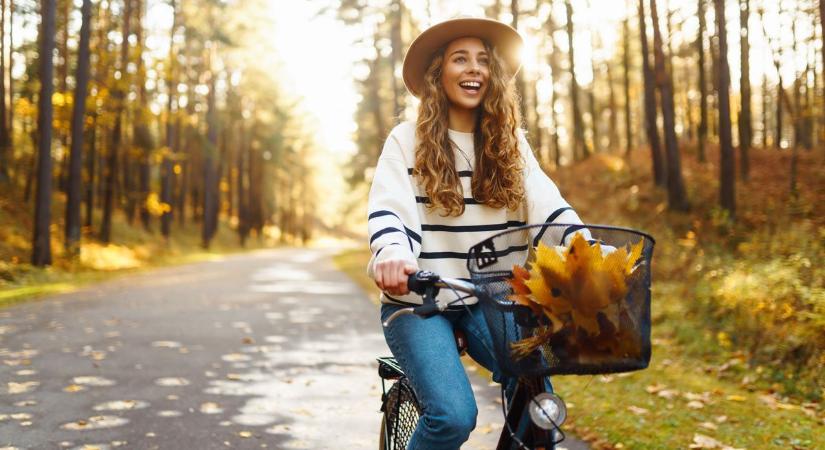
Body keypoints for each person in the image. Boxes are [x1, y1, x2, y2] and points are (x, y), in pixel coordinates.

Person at [367, 16, 585, 449]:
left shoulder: (509, 144)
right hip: (419, 301)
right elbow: (391, 211)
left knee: (536, 403)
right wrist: (393, 251)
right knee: (452, 416)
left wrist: (585, 247)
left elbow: (549, 210)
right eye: (460, 59)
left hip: (490, 298)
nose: (474, 69)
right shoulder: (405, 140)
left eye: (484, 61)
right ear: (438, 73)